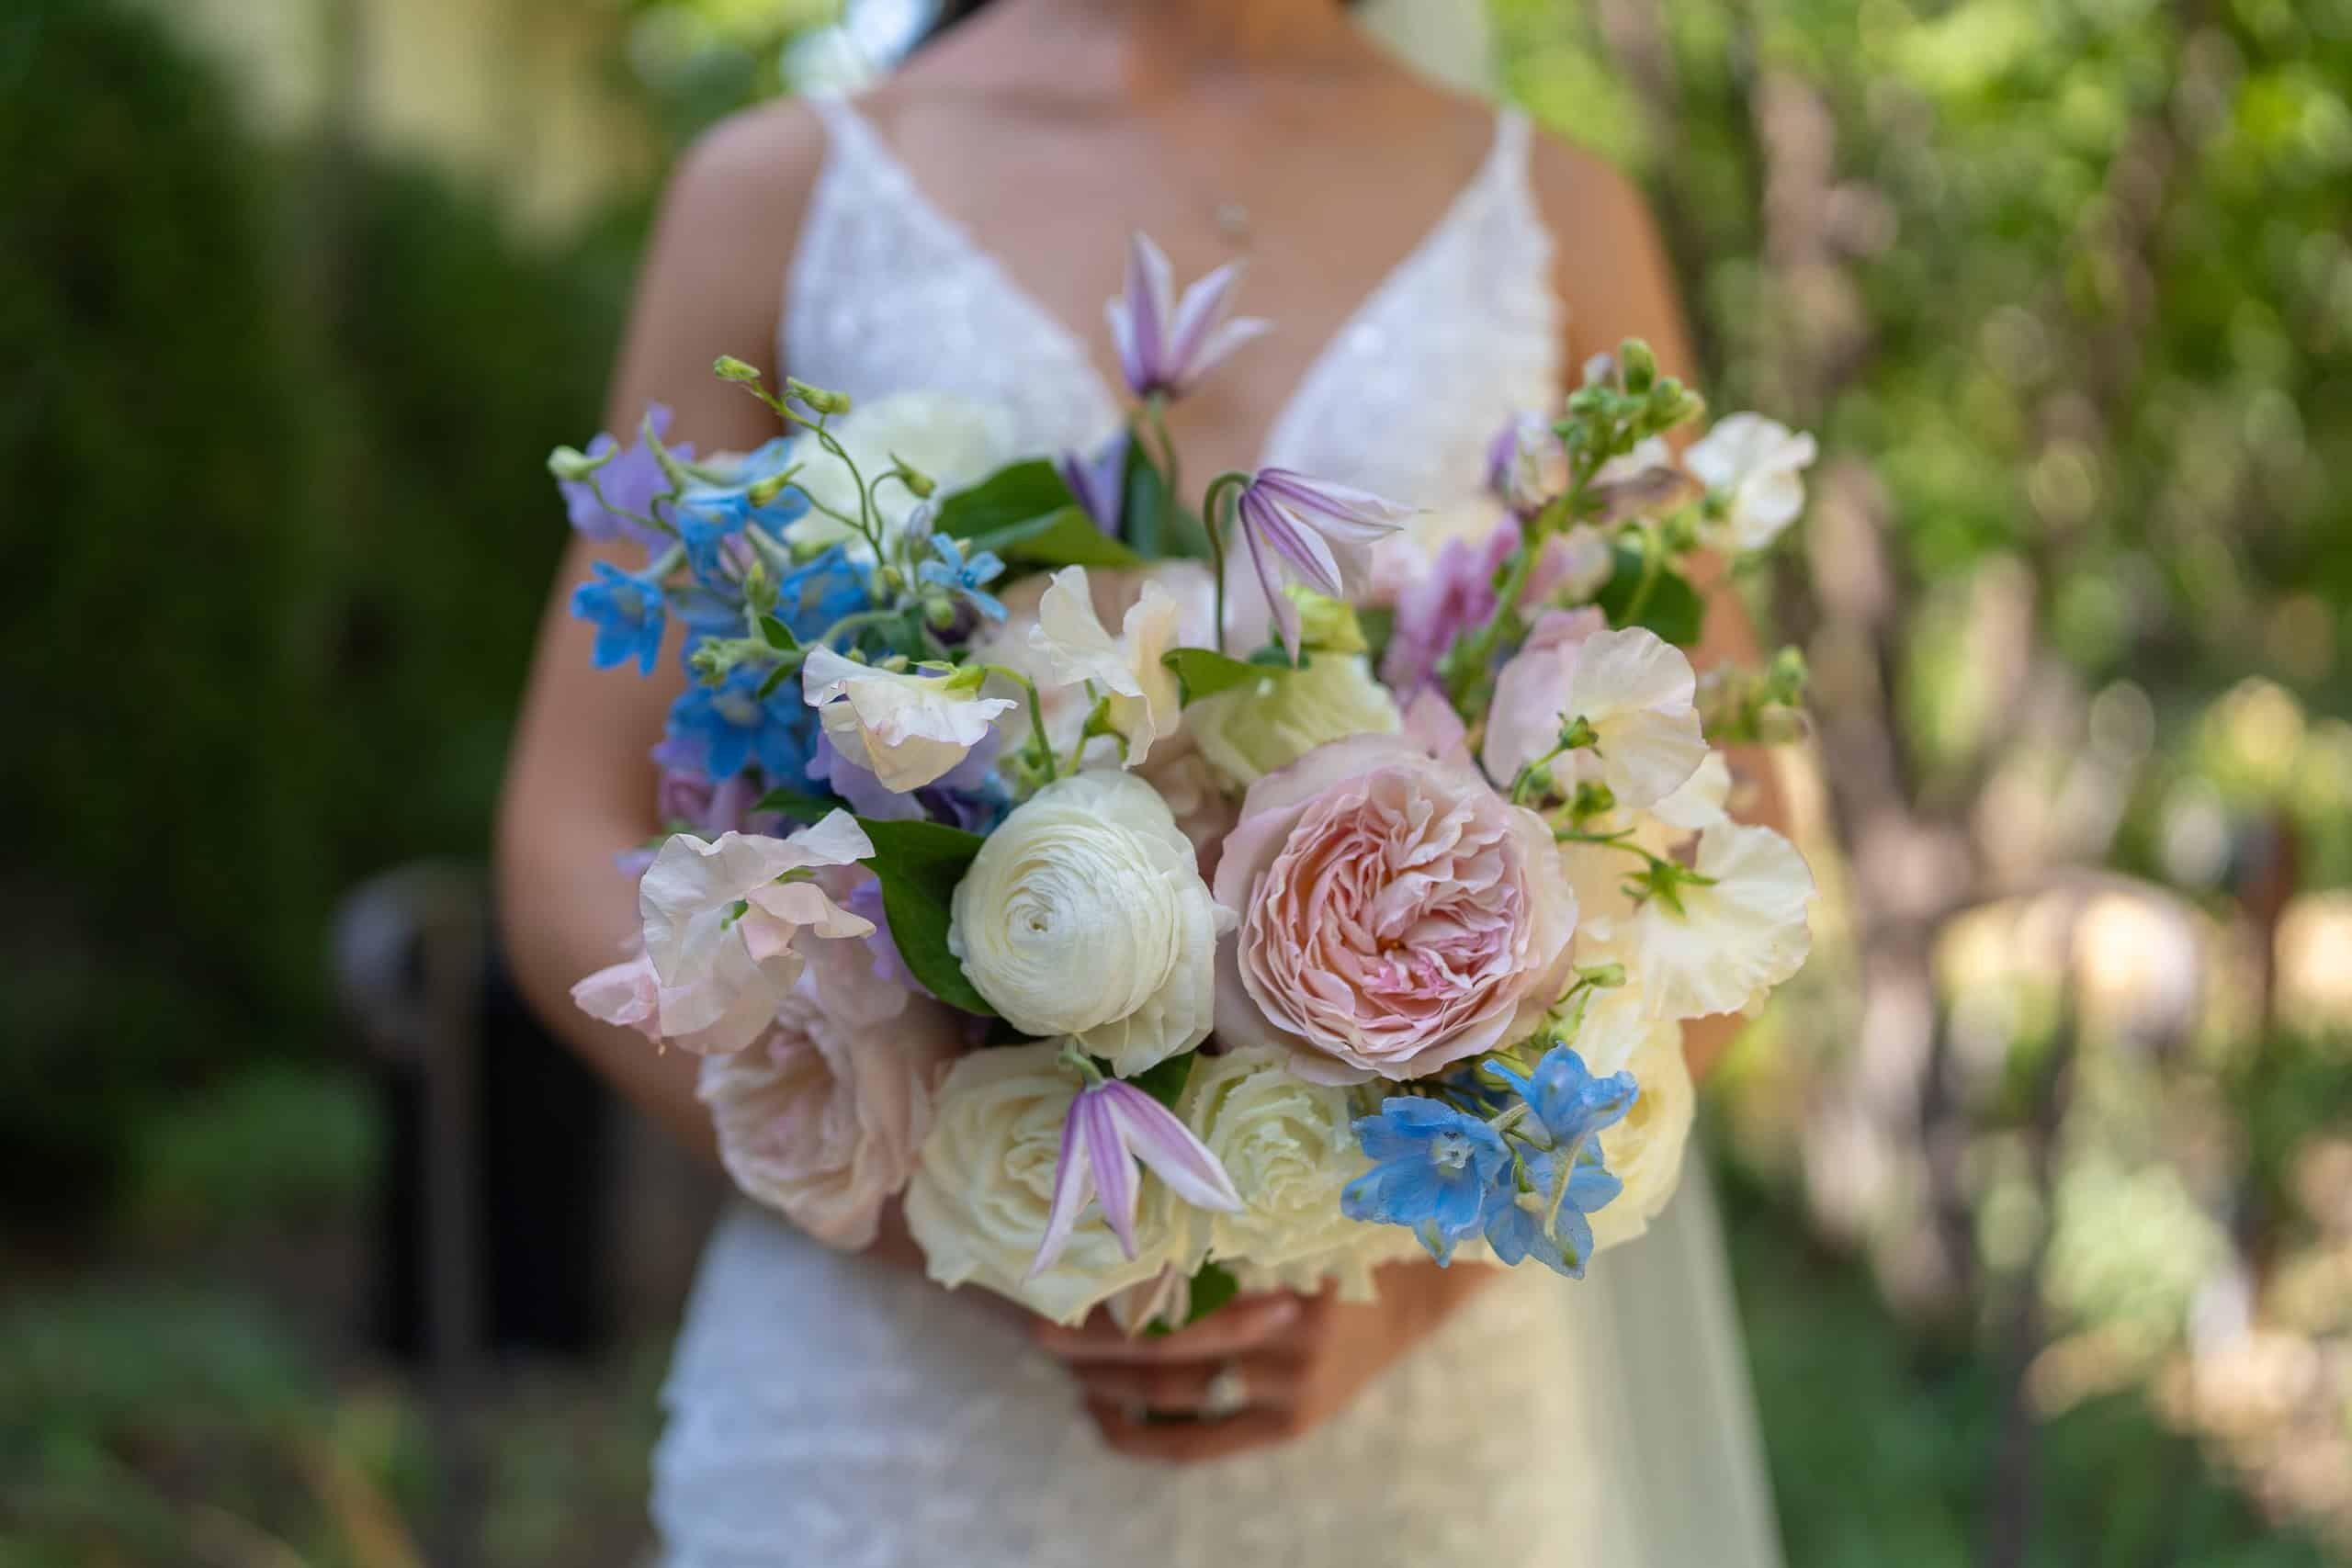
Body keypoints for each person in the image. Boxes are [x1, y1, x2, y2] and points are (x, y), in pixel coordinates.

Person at [498, 0, 1788, 1561]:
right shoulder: (780, 189)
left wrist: (1414, 1286)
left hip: (1410, 1404)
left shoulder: (1564, 209)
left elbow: (1740, 823)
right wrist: (958, 1215)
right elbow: (568, 835)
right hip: (906, 1397)